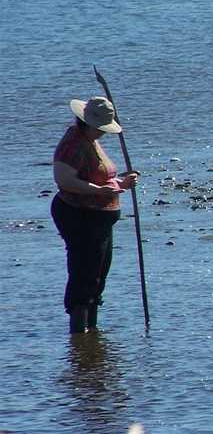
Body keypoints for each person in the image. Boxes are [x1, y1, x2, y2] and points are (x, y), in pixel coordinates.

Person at [51, 96, 139, 334]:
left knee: (98, 274)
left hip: (99, 216)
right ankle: (80, 333)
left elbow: (97, 176)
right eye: (99, 128)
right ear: (85, 122)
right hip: (79, 215)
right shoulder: (73, 144)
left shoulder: (90, 140)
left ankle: (91, 338)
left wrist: (122, 183)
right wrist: (99, 191)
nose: (103, 133)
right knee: (85, 275)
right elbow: (64, 179)